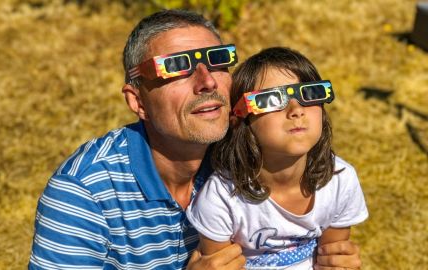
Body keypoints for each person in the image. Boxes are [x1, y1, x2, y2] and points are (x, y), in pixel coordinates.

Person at [29, 9, 363, 270]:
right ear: (137, 101)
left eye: (217, 61)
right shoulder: (83, 192)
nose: (206, 82)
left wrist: (333, 257)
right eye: (176, 67)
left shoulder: (249, 148)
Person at [186, 47, 369, 269]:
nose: (296, 109)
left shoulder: (340, 180)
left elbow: (333, 257)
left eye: (309, 94)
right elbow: (218, 264)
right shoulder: (221, 197)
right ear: (238, 119)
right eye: (272, 99)